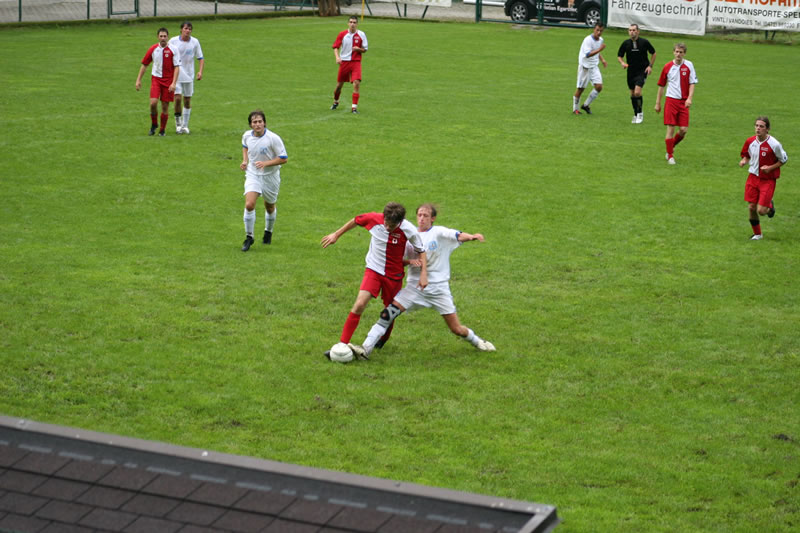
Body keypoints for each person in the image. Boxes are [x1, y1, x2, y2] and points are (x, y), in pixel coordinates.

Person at [349, 204, 495, 359]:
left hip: (439, 290)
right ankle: (366, 349)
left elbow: (457, 235)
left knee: (456, 329)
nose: (422, 218)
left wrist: (471, 236)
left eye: (426, 215)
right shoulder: (408, 237)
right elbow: (399, 261)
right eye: (419, 215)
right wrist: (410, 262)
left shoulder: (438, 232)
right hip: (415, 287)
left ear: (433, 218)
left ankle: (478, 341)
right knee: (387, 314)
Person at [321, 203, 427, 354]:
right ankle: (342, 345)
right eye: (386, 223)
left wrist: (423, 275)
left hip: (394, 276)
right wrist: (336, 235)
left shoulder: (408, 229)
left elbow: (421, 251)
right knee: (359, 304)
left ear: (399, 222)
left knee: (389, 312)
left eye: (391, 226)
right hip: (374, 270)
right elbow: (355, 220)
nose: (387, 227)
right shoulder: (374, 219)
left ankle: (382, 340)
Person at [240, 110, 288, 252]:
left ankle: (268, 231)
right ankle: (249, 237)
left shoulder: (273, 138)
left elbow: (284, 158)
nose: (258, 124)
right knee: (249, 205)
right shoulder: (246, 136)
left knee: (270, 207)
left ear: (264, 123)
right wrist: (245, 160)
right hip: (253, 174)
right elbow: (245, 146)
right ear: (250, 125)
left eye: (260, 121)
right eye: (254, 122)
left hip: (270, 176)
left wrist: (265, 164)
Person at [739, 116, 788, 241]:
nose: (758, 128)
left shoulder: (774, 144)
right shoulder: (750, 141)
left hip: (768, 180)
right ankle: (758, 234)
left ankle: (769, 206)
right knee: (751, 207)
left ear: (767, 129)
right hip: (752, 178)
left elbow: (783, 159)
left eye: (761, 126)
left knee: (761, 211)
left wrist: (771, 168)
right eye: (756, 126)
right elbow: (746, 155)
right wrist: (744, 161)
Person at [654, 43, 698, 165]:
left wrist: (689, 98)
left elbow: (692, 83)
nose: (678, 54)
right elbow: (661, 86)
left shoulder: (689, 65)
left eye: (681, 52)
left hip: (684, 102)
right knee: (671, 129)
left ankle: (670, 146)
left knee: (683, 130)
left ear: (684, 54)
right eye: (677, 52)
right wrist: (658, 103)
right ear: (673, 52)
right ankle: (670, 156)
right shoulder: (667, 67)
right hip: (671, 101)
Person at [135, 27, 181, 137]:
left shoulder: (173, 50)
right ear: (158, 37)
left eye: (165, 36)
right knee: (153, 103)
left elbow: (177, 67)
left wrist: (174, 83)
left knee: (165, 106)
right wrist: (138, 80)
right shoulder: (153, 49)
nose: (163, 38)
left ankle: (162, 130)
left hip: (168, 81)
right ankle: (154, 124)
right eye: (161, 36)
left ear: (168, 37)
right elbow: (145, 64)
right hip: (156, 79)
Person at [169, 21, 205, 135]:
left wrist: (200, 71)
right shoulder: (173, 41)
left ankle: (185, 125)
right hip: (176, 74)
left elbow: (201, 57)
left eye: (189, 29)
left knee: (187, 100)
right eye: (185, 28)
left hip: (189, 75)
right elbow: (167, 54)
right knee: (178, 98)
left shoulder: (195, 42)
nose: (187, 31)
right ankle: (178, 124)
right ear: (181, 30)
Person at [616, 24, 656, 124]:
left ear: (638, 31)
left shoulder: (644, 42)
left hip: (642, 71)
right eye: (630, 30)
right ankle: (635, 114)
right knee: (633, 94)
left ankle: (640, 113)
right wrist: (622, 63)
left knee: (637, 92)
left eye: (634, 30)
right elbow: (619, 55)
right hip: (631, 71)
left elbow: (653, 53)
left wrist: (650, 66)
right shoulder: (626, 43)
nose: (632, 32)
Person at [331, 16, 368, 114]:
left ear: (357, 24)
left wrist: (358, 49)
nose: (352, 24)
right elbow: (335, 47)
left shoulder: (361, 34)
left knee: (356, 83)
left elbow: (365, 49)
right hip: (344, 62)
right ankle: (335, 101)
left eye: (354, 22)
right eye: (351, 22)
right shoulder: (342, 34)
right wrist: (337, 57)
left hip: (356, 62)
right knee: (339, 85)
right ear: (348, 23)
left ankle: (354, 108)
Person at [573, 23, 607, 116]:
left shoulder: (600, 40)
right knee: (580, 89)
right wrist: (600, 49)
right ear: (594, 30)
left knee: (599, 87)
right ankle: (575, 109)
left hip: (594, 66)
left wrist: (603, 60)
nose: (599, 32)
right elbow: (588, 54)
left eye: (601, 31)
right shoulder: (588, 40)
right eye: (597, 30)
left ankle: (586, 105)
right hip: (585, 67)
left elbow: (596, 51)